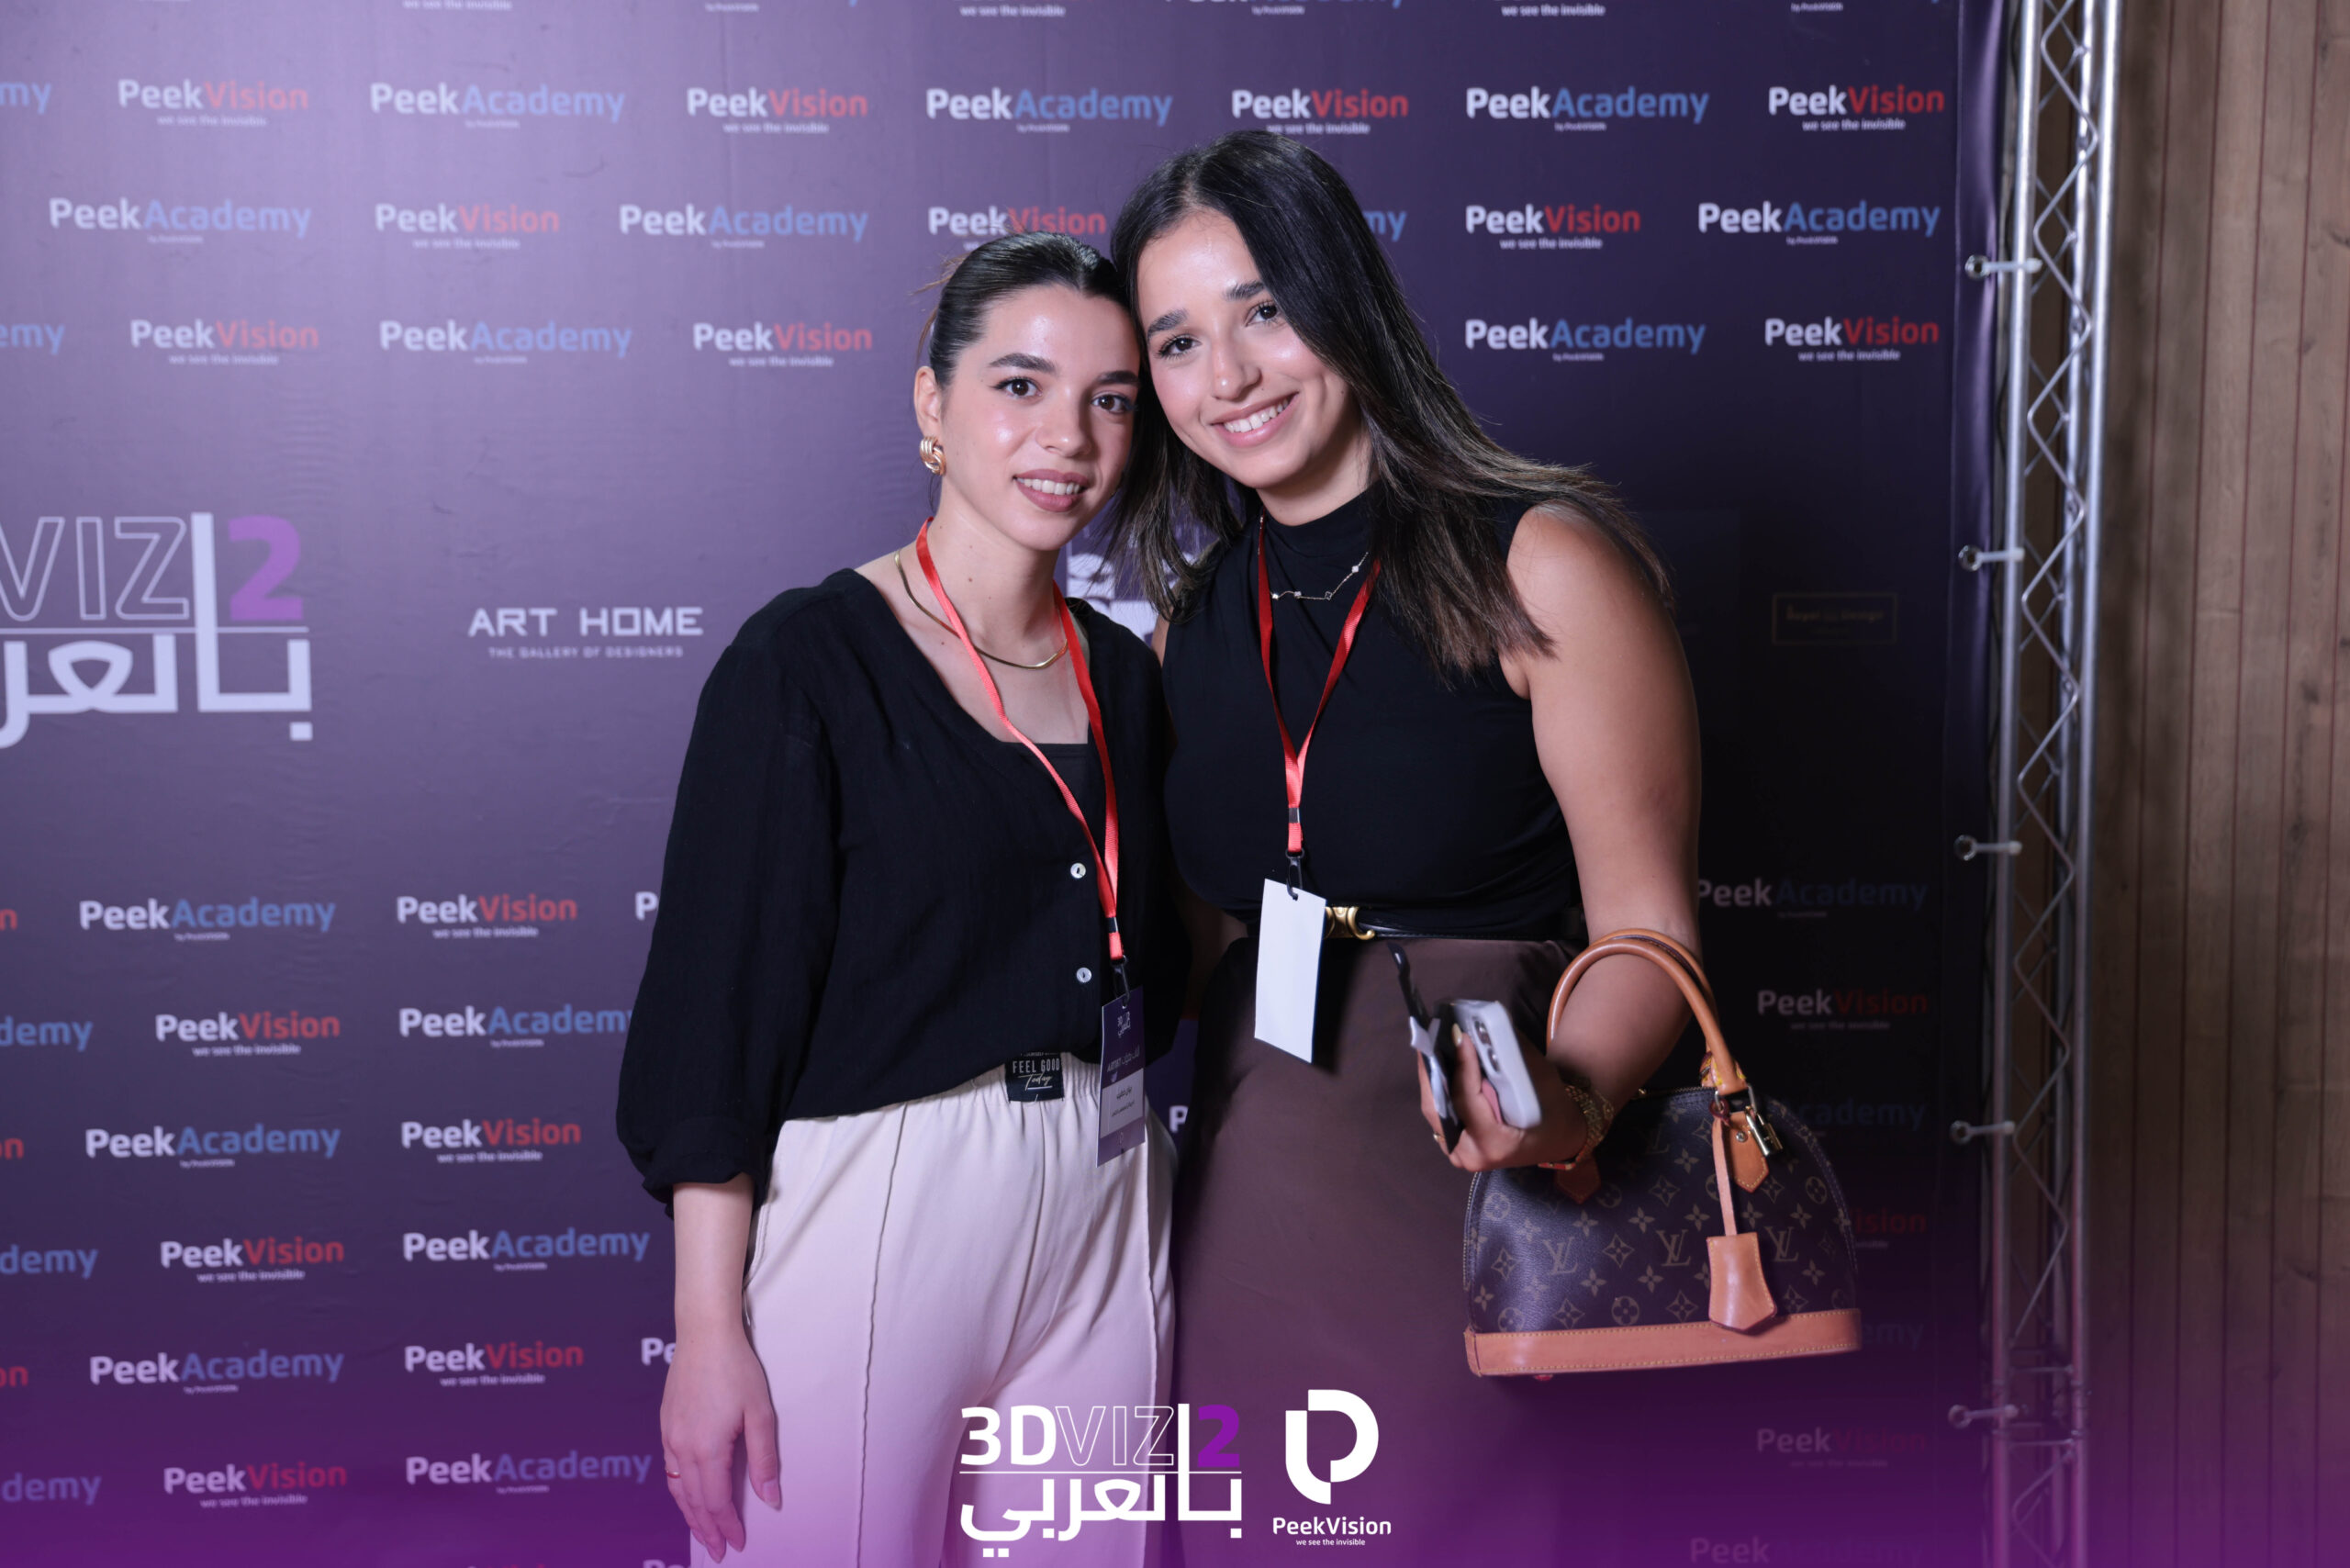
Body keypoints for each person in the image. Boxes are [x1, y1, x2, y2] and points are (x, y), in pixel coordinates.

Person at [1101, 131, 1703, 1558]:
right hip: (1257, 1195)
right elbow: (1203, 951)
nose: (1229, 375)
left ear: (1346, 297)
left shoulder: (1539, 565)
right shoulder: (1194, 626)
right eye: (1177, 342)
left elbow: (1653, 932)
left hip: (1488, 1191)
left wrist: (1561, 1103)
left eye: (1263, 310)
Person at [616, 230, 1185, 1568]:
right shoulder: (806, 662)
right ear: (933, 402)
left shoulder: (1129, 673)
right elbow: (716, 1020)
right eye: (1020, 386)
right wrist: (707, 1330)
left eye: (1110, 400)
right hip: (889, 1193)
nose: (1069, 437)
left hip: (1110, 1181)